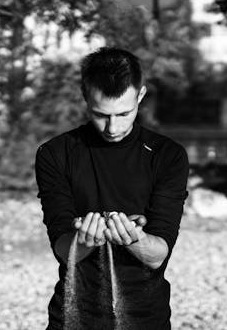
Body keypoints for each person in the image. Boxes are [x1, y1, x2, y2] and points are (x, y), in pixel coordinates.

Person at [35, 47, 189, 330]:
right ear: (84, 95)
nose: (112, 127)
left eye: (124, 113)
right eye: (101, 114)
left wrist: (132, 239)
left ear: (140, 96)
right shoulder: (55, 154)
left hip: (146, 318)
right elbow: (61, 250)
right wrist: (84, 241)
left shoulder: (167, 156)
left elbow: (157, 256)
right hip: (72, 318)